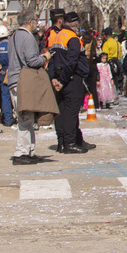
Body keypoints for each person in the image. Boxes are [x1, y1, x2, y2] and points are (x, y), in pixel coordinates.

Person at [7, 11, 50, 163]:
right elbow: (32, 61)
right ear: (30, 21)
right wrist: (45, 57)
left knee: (27, 118)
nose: (37, 24)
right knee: (25, 118)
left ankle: (29, 150)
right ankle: (21, 153)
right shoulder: (27, 37)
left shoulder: (13, 36)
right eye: (36, 21)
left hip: (14, 80)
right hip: (23, 81)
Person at [49, 12, 91, 154]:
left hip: (60, 78)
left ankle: (61, 142)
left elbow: (53, 59)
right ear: (75, 24)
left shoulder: (57, 36)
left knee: (61, 112)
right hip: (71, 80)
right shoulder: (73, 38)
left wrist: (54, 78)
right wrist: (63, 80)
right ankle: (70, 143)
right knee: (71, 113)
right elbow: (72, 62)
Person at [0, 25, 11, 128]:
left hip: (3, 72)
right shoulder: (11, 44)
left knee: (5, 96)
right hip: (13, 72)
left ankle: (8, 119)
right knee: (16, 95)